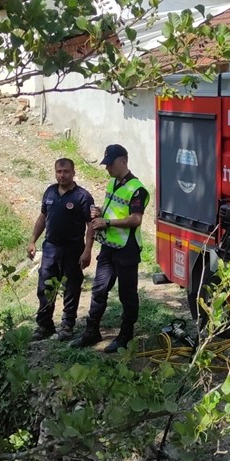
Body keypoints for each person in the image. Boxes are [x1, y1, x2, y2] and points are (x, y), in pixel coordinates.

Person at [70, 144, 148, 353]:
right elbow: (111, 209)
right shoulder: (113, 182)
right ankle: (91, 331)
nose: (107, 168)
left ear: (123, 161)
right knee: (99, 289)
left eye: (110, 164)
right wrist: (99, 212)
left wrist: (108, 223)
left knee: (127, 294)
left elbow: (136, 219)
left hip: (127, 248)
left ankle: (125, 336)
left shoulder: (137, 188)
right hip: (108, 247)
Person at [28, 158, 95, 341]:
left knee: (71, 287)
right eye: (59, 171)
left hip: (73, 249)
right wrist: (33, 240)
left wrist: (88, 250)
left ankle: (67, 326)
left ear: (73, 173)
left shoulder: (82, 196)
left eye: (65, 171)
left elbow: (91, 225)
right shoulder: (50, 192)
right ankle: (44, 325)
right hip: (50, 248)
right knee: (45, 286)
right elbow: (43, 217)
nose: (62, 175)